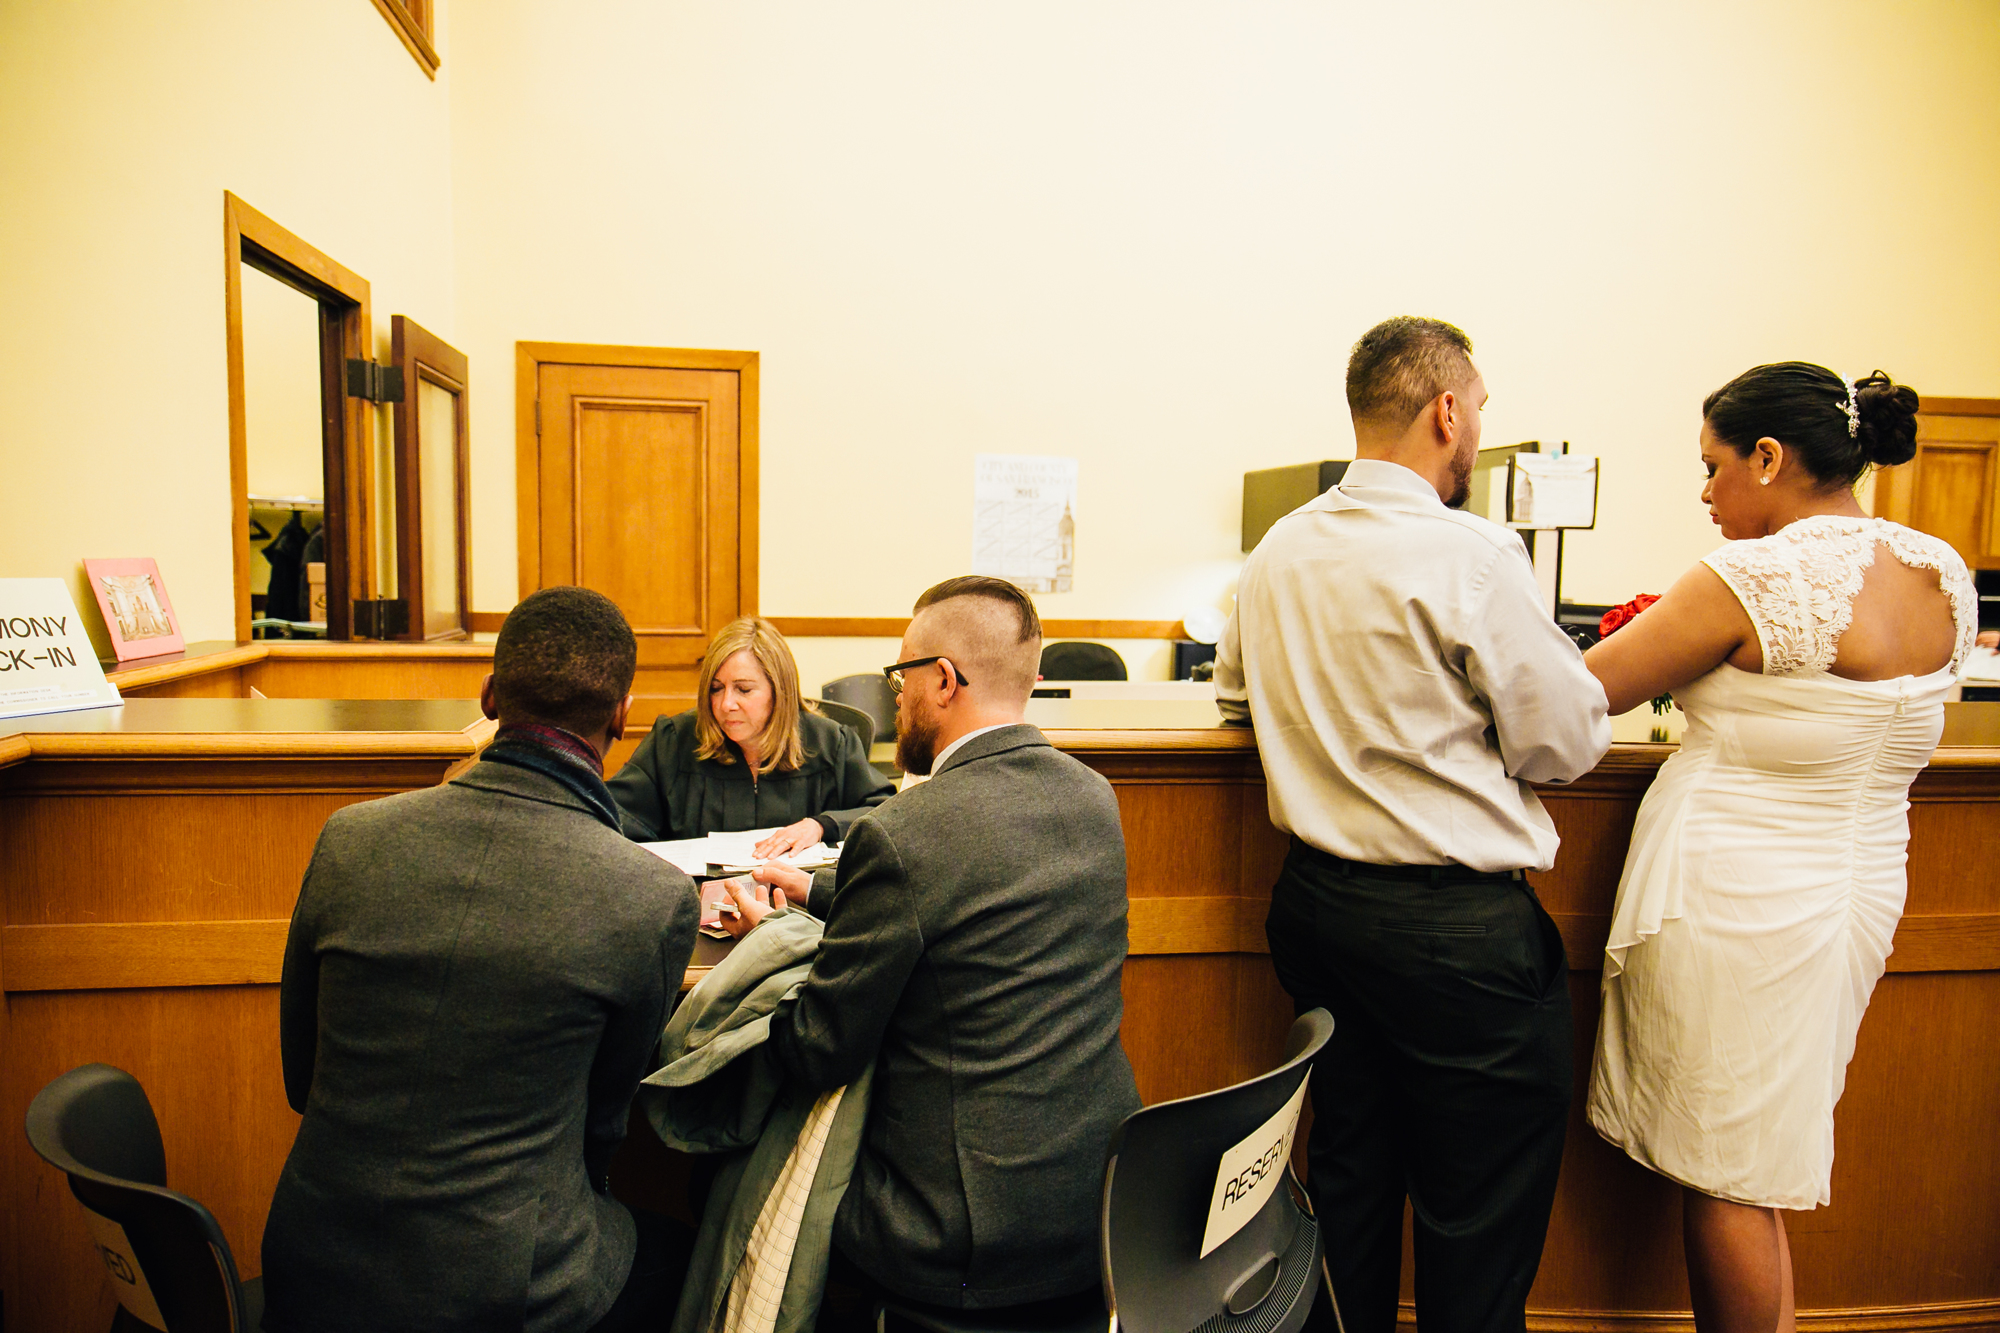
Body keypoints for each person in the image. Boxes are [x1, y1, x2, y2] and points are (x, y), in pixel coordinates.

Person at [1214, 316, 1612, 1333]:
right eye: (1477, 409)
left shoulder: (1276, 550)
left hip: (1317, 910)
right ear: (1444, 409)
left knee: (1346, 1181)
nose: (1477, 429)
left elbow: (1231, 700)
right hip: (1453, 936)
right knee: (1475, 1217)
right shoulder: (1473, 552)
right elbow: (1562, 744)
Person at [1583, 364, 1976, 1333]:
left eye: (1712, 466)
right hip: (1856, 892)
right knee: (1752, 1160)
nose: (1705, 492)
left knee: (1726, 1173)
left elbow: (1575, 691)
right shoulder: (1943, 573)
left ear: (1767, 456)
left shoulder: (1748, 579)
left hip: (1737, 900)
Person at [262, 586, 702, 1333]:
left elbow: (301, 1077)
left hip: (313, 1264)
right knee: (697, 1253)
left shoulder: (349, 838)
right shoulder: (648, 897)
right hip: (507, 1287)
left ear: (490, 694)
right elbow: (604, 1129)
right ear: (622, 714)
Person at [722, 575, 1140, 1319]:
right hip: (1097, 1207)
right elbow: (972, 901)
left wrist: (773, 954)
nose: (896, 695)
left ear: (943, 680)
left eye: (901, 677)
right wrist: (813, 892)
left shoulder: (908, 831)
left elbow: (822, 1045)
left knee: (722, 1183)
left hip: (954, 1234)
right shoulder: (1092, 796)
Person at [607, 616, 894, 881]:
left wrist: (821, 826)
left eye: (743, 689)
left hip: (801, 912)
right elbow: (612, 815)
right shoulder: (674, 740)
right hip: (696, 907)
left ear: (779, 691)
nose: (725, 704)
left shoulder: (830, 743)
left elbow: (884, 813)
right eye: (716, 688)